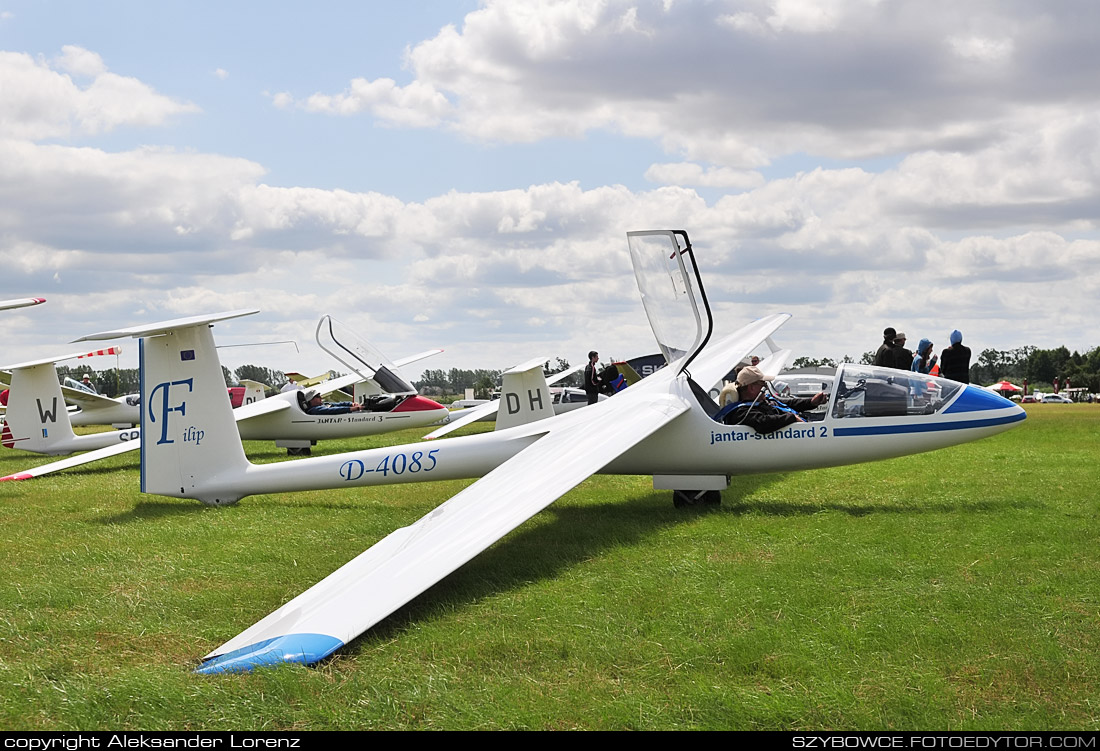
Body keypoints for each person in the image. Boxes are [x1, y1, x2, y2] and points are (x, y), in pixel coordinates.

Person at [715, 366, 828, 434]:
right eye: (762, 383)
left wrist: (812, 402)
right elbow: (763, 423)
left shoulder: (763, 400)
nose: (765, 387)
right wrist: (792, 418)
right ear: (751, 387)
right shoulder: (742, 412)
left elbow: (787, 403)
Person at [299, 388, 366, 415]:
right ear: (311, 400)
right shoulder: (314, 410)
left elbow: (337, 405)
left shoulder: (323, 405)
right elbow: (333, 410)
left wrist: (352, 404)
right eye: (318, 396)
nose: (321, 397)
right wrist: (352, 409)